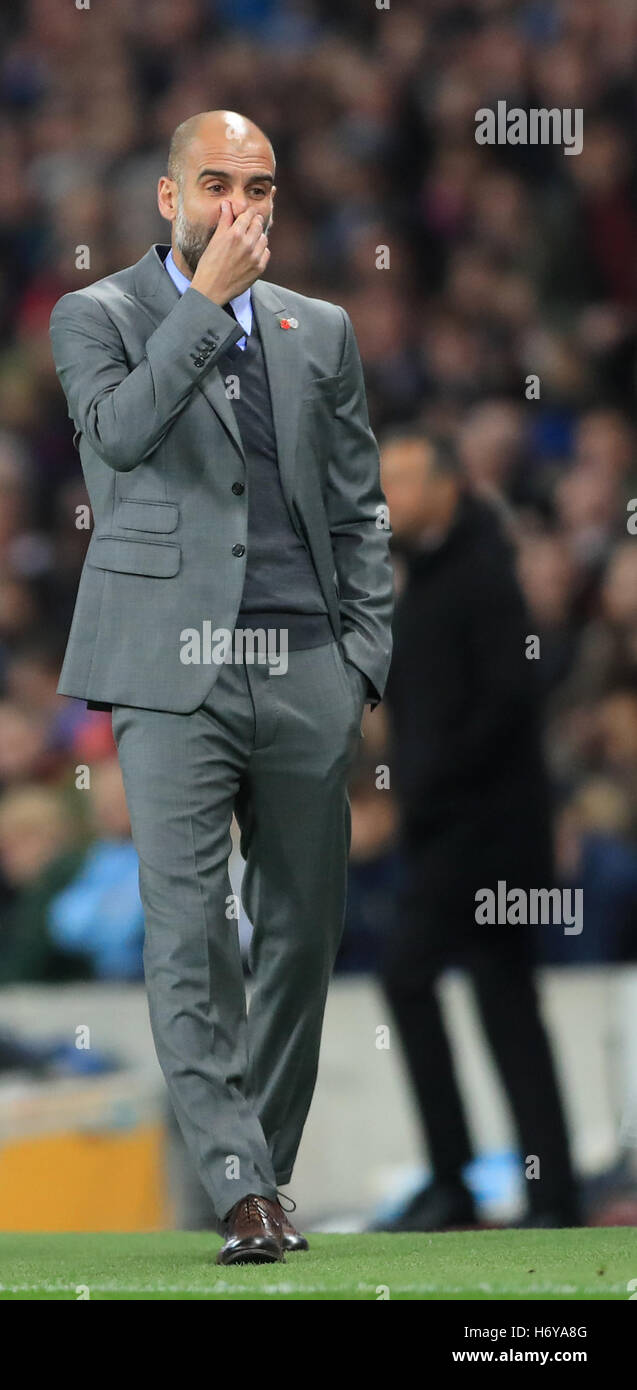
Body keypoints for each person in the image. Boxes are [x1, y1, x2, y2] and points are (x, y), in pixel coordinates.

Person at [49, 110, 393, 1263]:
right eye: (214, 181)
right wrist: (202, 304)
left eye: (257, 185)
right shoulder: (92, 315)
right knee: (191, 928)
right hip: (165, 663)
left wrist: (361, 663)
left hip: (305, 664)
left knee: (302, 931)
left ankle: (265, 1172)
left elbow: (357, 507)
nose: (238, 203)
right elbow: (120, 435)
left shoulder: (320, 328)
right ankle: (241, 1185)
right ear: (167, 198)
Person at [377, 428, 581, 1230]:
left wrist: (424, 785)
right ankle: (543, 1192)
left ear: (446, 487)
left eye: (399, 478)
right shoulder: (429, 575)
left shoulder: (479, 575)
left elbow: (505, 704)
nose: (384, 494)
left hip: (483, 834)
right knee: (502, 999)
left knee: (419, 979)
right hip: (459, 828)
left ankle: (461, 1183)